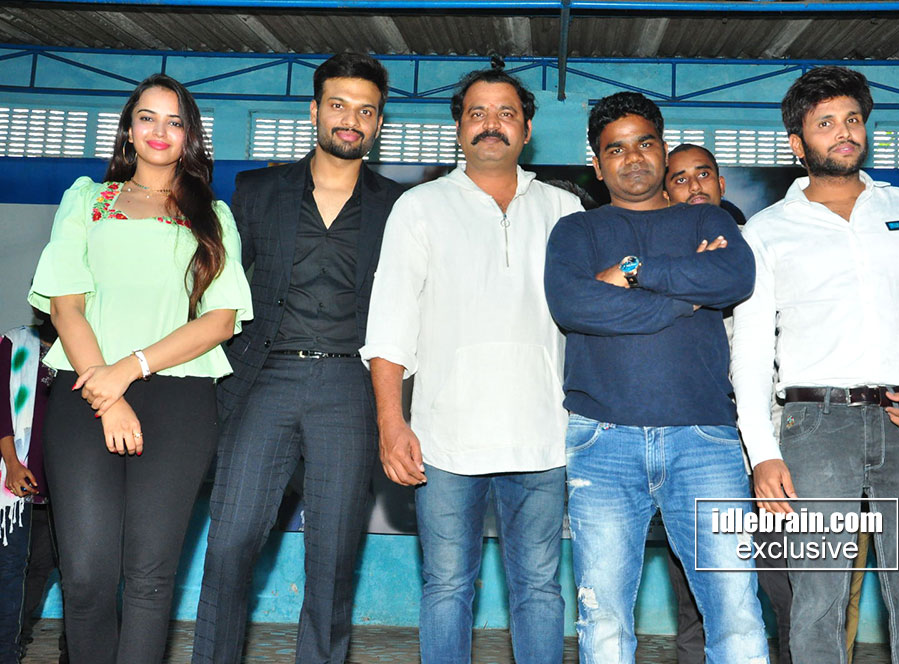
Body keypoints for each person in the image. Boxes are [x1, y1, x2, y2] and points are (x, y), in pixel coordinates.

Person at [731, 65, 899, 663]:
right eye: (825, 124)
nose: (844, 132)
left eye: (852, 120)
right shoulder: (766, 231)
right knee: (817, 602)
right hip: (814, 428)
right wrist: (762, 452)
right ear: (798, 144)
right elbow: (752, 349)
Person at [27, 73, 251, 664]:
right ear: (129, 128)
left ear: (189, 137)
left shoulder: (212, 216)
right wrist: (108, 393)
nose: (159, 131)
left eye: (175, 122)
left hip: (180, 399)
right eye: (147, 117)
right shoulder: (86, 200)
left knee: (150, 580)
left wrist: (130, 368)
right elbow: (65, 305)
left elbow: (220, 321)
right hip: (84, 392)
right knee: (86, 578)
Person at [361, 65, 583, 663]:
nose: (492, 124)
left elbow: (592, 314)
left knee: (539, 590)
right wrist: (391, 423)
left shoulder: (564, 209)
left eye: (506, 113)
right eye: (477, 113)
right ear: (459, 128)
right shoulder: (419, 207)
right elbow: (390, 324)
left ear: (527, 129)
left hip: (544, 437)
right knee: (447, 588)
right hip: (444, 441)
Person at [192, 53, 404, 664]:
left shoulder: (400, 206)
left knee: (333, 560)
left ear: (379, 123)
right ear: (314, 111)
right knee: (230, 545)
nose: (350, 120)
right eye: (338, 105)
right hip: (264, 379)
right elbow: (217, 290)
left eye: (365, 111)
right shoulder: (257, 191)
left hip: (350, 387)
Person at [544, 91, 768, 664]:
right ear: (598, 166)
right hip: (602, 444)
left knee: (737, 615)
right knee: (604, 622)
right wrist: (685, 298)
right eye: (615, 149)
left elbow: (734, 277)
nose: (633, 157)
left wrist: (633, 271)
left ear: (663, 151)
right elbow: (575, 305)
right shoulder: (574, 232)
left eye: (644, 143)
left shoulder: (706, 218)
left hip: (706, 442)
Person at [663, 143, 793, 664]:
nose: (693, 185)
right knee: (699, 600)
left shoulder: (759, 247)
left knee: (789, 591)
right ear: (664, 192)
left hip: (769, 450)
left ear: (720, 183)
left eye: (703, 174)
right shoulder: (655, 262)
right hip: (692, 453)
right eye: (679, 178)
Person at [0, 316, 60, 664]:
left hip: (67, 482)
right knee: (10, 568)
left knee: (47, 566)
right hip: (16, 479)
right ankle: (8, 651)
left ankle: (23, 638)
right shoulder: (15, 343)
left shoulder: (82, 348)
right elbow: (0, 407)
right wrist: (11, 462)